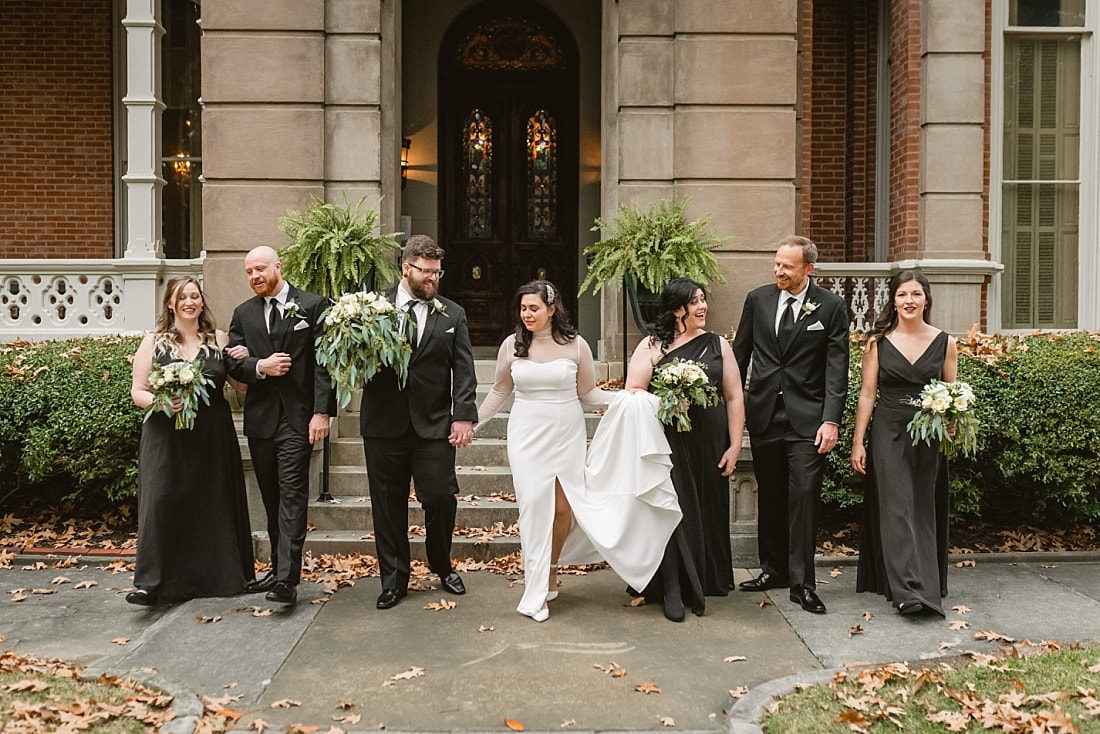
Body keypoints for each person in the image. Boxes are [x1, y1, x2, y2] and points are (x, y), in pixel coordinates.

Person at [478, 280, 683, 622]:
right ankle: (535, 591)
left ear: (551, 309)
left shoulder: (576, 345)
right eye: (523, 308)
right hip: (527, 433)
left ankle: (552, 567)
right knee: (533, 509)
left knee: (562, 509)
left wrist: (628, 399)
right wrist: (470, 423)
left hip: (566, 433)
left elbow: (588, 393)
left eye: (533, 308)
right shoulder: (512, 345)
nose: (526, 314)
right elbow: (500, 391)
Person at [360, 235, 478, 610]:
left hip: (434, 425)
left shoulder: (453, 314)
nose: (432, 280)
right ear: (406, 268)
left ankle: (441, 565)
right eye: (425, 272)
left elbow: (464, 369)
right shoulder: (370, 307)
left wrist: (463, 416)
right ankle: (394, 580)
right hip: (383, 425)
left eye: (437, 273)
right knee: (387, 505)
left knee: (441, 498)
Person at [732, 236, 849, 615]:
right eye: (777, 264)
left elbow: (837, 370)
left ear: (808, 270)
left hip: (808, 419)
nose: (779, 271)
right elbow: (740, 355)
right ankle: (774, 570)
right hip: (764, 413)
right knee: (772, 495)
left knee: (803, 499)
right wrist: (727, 406)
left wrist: (831, 420)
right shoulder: (757, 299)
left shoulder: (831, 307)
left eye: (787, 266)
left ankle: (803, 584)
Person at [624, 278, 746, 622]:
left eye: (703, 300)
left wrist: (735, 445)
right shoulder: (652, 346)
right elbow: (632, 391)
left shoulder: (717, 344)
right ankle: (672, 586)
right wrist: (666, 398)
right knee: (673, 508)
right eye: (695, 302)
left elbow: (734, 396)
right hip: (667, 442)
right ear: (678, 309)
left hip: (710, 440)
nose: (703, 307)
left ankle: (706, 578)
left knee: (705, 506)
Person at [128, 275, 255, 605]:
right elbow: (138, 391)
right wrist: (161, 403)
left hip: (211, 434)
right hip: (165, 434)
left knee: (212, 501)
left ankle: (220, 577)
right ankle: (150, 584)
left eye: (195, 296)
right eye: (182, 296)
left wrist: (244, 359)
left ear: (202, 301)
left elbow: (240, 387)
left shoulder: (218, 339)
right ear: (171, 303)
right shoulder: (154, 341)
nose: (189, 301)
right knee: (161, 499)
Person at [225, 246, 334, 606]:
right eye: (249, 272)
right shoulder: (243, 314)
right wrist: (259, 366)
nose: (255, 276)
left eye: (260, 269)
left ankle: (287, 579)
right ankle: (277, 568)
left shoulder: (313, 306)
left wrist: (322, 412)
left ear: (278, 267)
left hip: (298, 419)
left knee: (291, 494)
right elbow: (234, 364)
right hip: (260, 421)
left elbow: (324, 364)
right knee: (272, 498)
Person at [851, 270, 954, 617]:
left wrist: (953, 421)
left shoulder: (946, 342)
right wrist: (858, 442)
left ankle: (926, 581)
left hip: (929, 434)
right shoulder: (877, 343)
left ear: (926, 298)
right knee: (896, 507)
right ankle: (907, 590)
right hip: (888, 430)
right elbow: (867, 395)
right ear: (893, 301)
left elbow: (952, 393)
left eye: (915, 294)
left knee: (922, 506)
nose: (908, 301)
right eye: (901, 295)